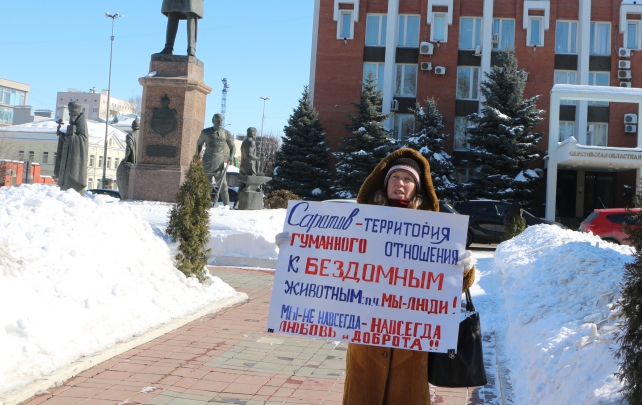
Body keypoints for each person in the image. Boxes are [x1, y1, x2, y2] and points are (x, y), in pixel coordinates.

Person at [275, 148, 474, 404]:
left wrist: (464, 268)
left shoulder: (435, 228)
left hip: (411, 340)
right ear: (385, 182)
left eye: (408, 179)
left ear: (418, 187)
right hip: (366, 335)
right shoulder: (357, 222)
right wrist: (297, 246)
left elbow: (452, 287)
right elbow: (330, 261)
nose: (400, 183)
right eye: (395, 177)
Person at [196, 114, 235, 206]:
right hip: (207, 162)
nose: (220, 123)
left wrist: (231, 157)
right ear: (213, 121)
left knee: (223, 186)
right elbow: (199, 144)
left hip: (219, 163)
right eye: (217, 121)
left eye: (221, 121)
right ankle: (205, 203)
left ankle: (226, 206)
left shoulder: (226, 133)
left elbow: (232, 146)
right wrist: (197, 155)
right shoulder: (205, 132)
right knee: (205, 185)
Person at [54, 101, 89, 194]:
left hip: (75, 161)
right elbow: (68, 138)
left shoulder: (81, 123)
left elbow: (83, 139)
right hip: (67, 159)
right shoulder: (73, 124)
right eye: (70, 114)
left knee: (72, 184)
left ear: (77, 114)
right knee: (65, 182)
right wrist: (62, 136)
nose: (72, 116)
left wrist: (70, 138)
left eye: (74, 114)